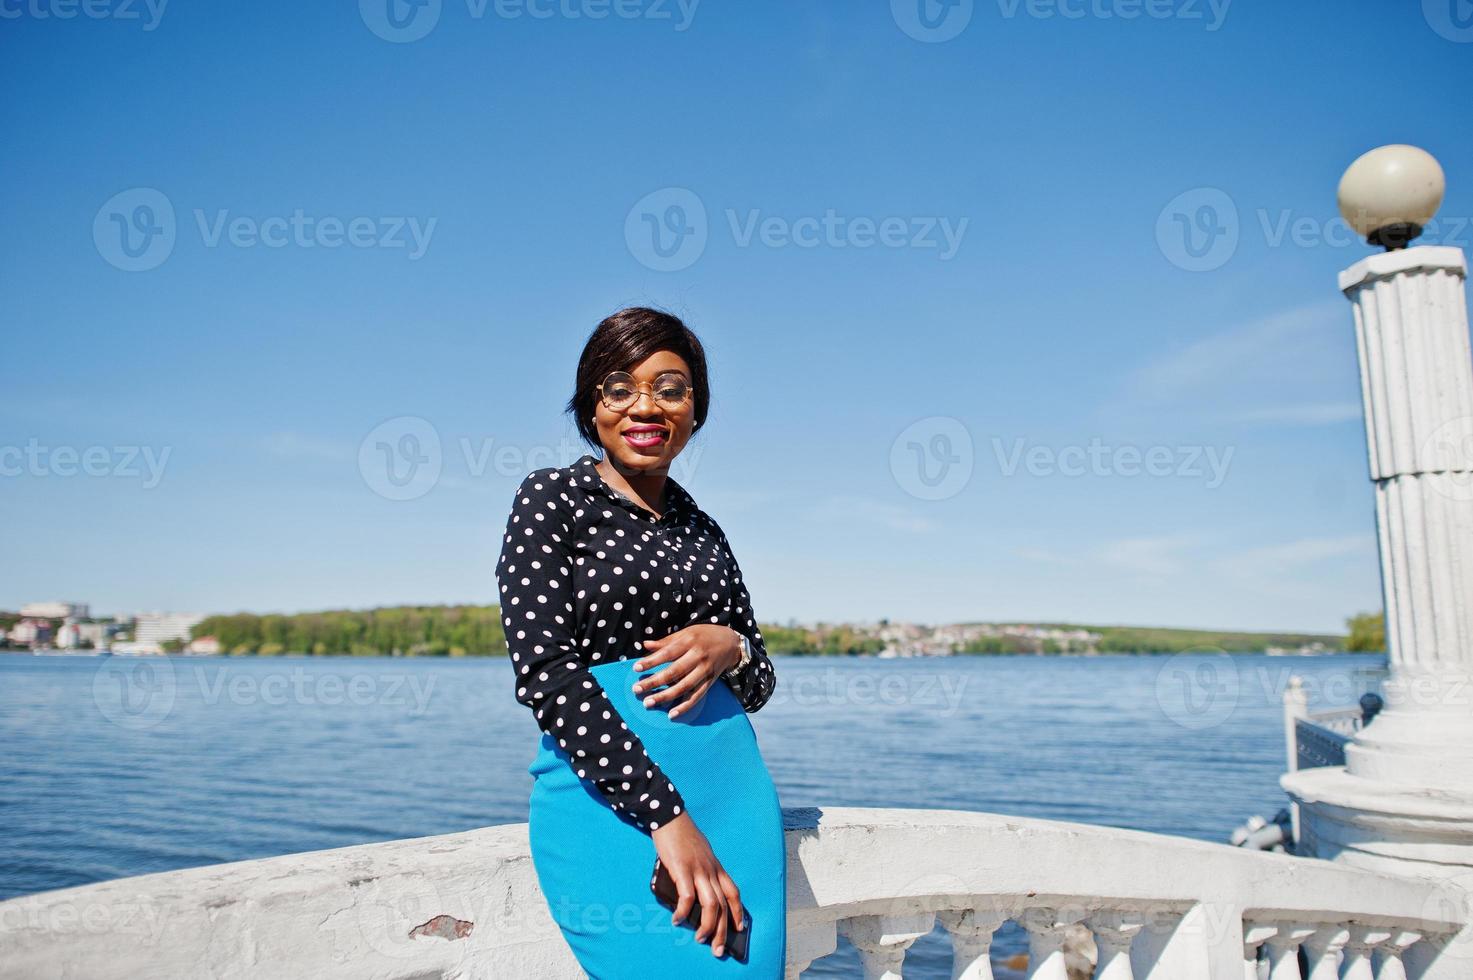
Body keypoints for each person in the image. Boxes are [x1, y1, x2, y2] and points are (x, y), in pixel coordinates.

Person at [496, 306, 785, 977]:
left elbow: (759, 681)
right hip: (616, 811)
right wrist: (666, 817)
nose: (644, 407)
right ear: (590, 404)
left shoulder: (704, 531)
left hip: (735, 806)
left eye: (670, 387)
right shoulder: (552, 500)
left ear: (695, 408)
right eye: (618, 388)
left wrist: (731, 647)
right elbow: (546, 675)